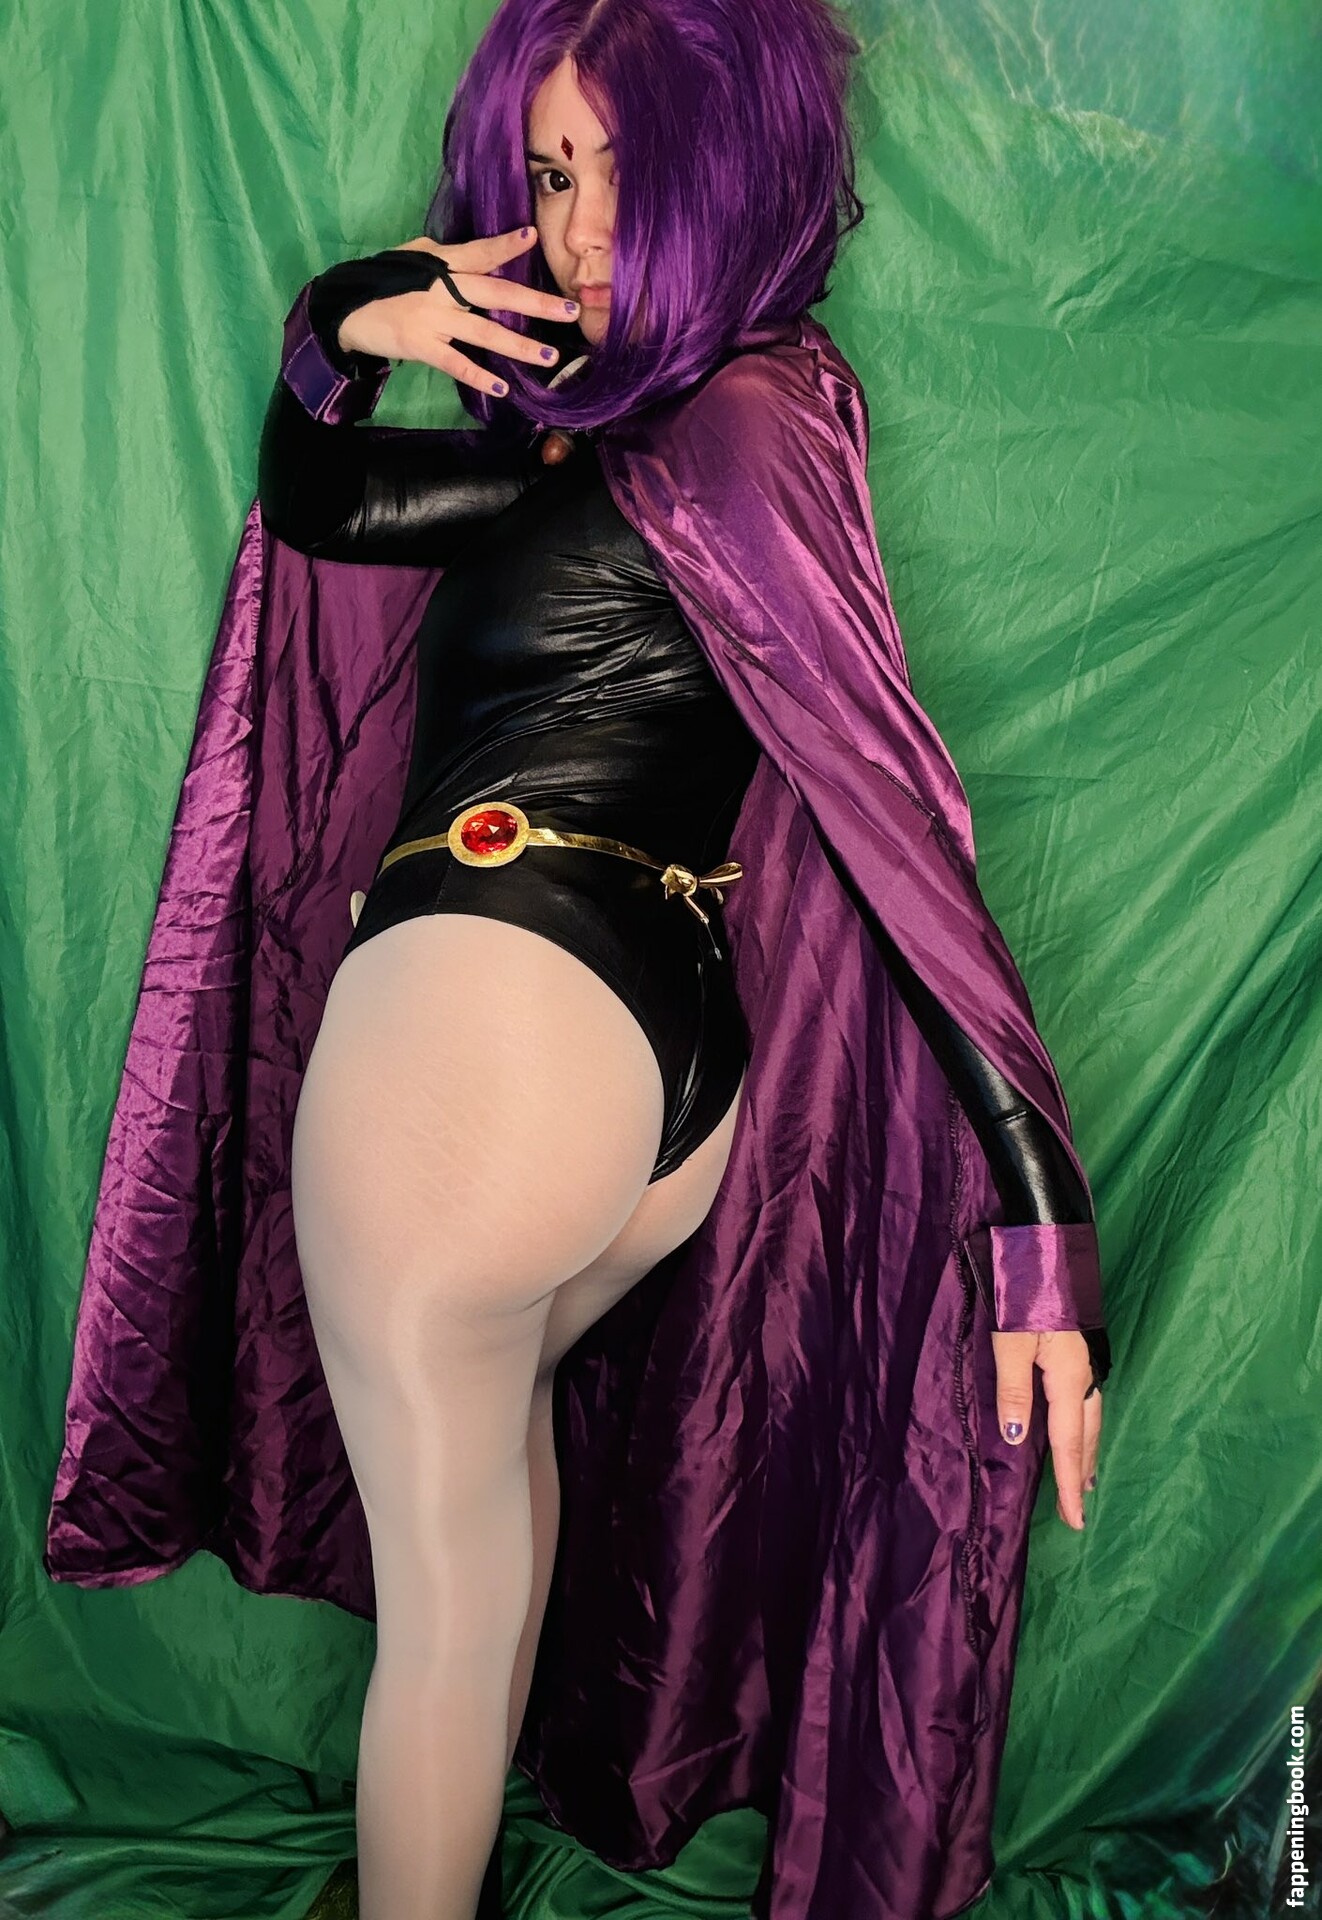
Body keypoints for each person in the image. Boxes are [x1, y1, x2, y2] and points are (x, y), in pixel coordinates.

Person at [45, 2, 1110, 1915]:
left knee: (447, 1624)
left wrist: (1038, 1216)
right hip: (642, 1100)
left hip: (486, 1043)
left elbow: (890, 808)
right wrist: (345, 321)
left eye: (627, 163)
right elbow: (330, 504)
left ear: (736, 163)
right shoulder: (637, 453)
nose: (581, 223)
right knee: (494, 1532)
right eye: (550, 173)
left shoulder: (742, 416)